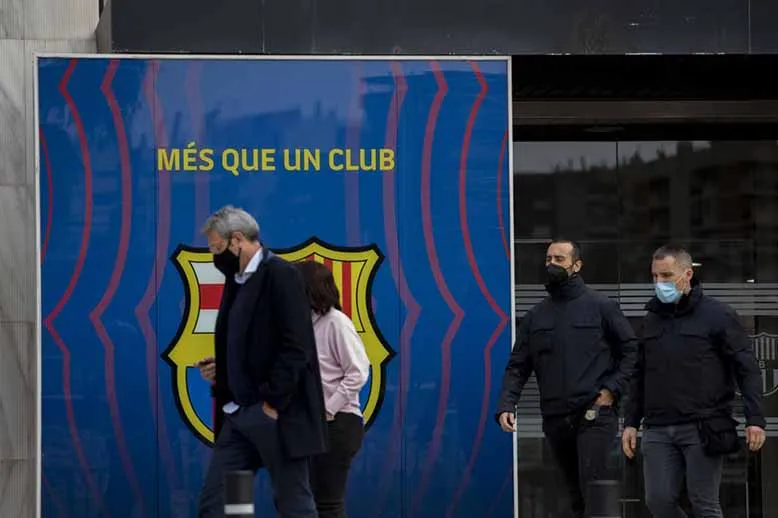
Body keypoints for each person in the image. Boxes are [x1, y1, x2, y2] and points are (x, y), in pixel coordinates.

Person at [195, 205, 327, 518]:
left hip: (273, 418)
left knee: (294, 503)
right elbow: (253, 343)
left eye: (217, 248)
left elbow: (297, 347)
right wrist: (225, 368)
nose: (215, 257)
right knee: (225, 505)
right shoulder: (237, 280)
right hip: (238, 418)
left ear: (237, 240)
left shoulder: (281, 275)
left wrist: (272, 403)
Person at [496, 239, 638, 518]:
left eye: (559, 259)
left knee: (593, 488)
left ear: (577, 265)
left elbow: (631, 351)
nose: (552, 264)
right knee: (573, 494)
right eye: (548, 259)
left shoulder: (601, 307)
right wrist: (506, 404)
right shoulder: (536, 315)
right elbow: (518, 366)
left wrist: (611, 389)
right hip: (555, 418)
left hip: (594, 413)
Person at [622, 244, 766, 518]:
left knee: (704, 503)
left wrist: (755, 419)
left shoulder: (718, 315)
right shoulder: (651, 319)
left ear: (687, 274)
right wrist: (630, 422)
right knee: (658, 501)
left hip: (702, 426)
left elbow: (746, 368)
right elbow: (639, 374)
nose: (659, 282)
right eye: (655, 276)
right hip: (658, 427)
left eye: (666, 275)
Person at [294, 260, 370, 518]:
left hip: (337, 424)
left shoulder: (336, 322)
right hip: (309, 425)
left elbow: (358, 371)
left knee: (327, 504)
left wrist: (327, 409)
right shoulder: (301, 326)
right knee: (305, 502)